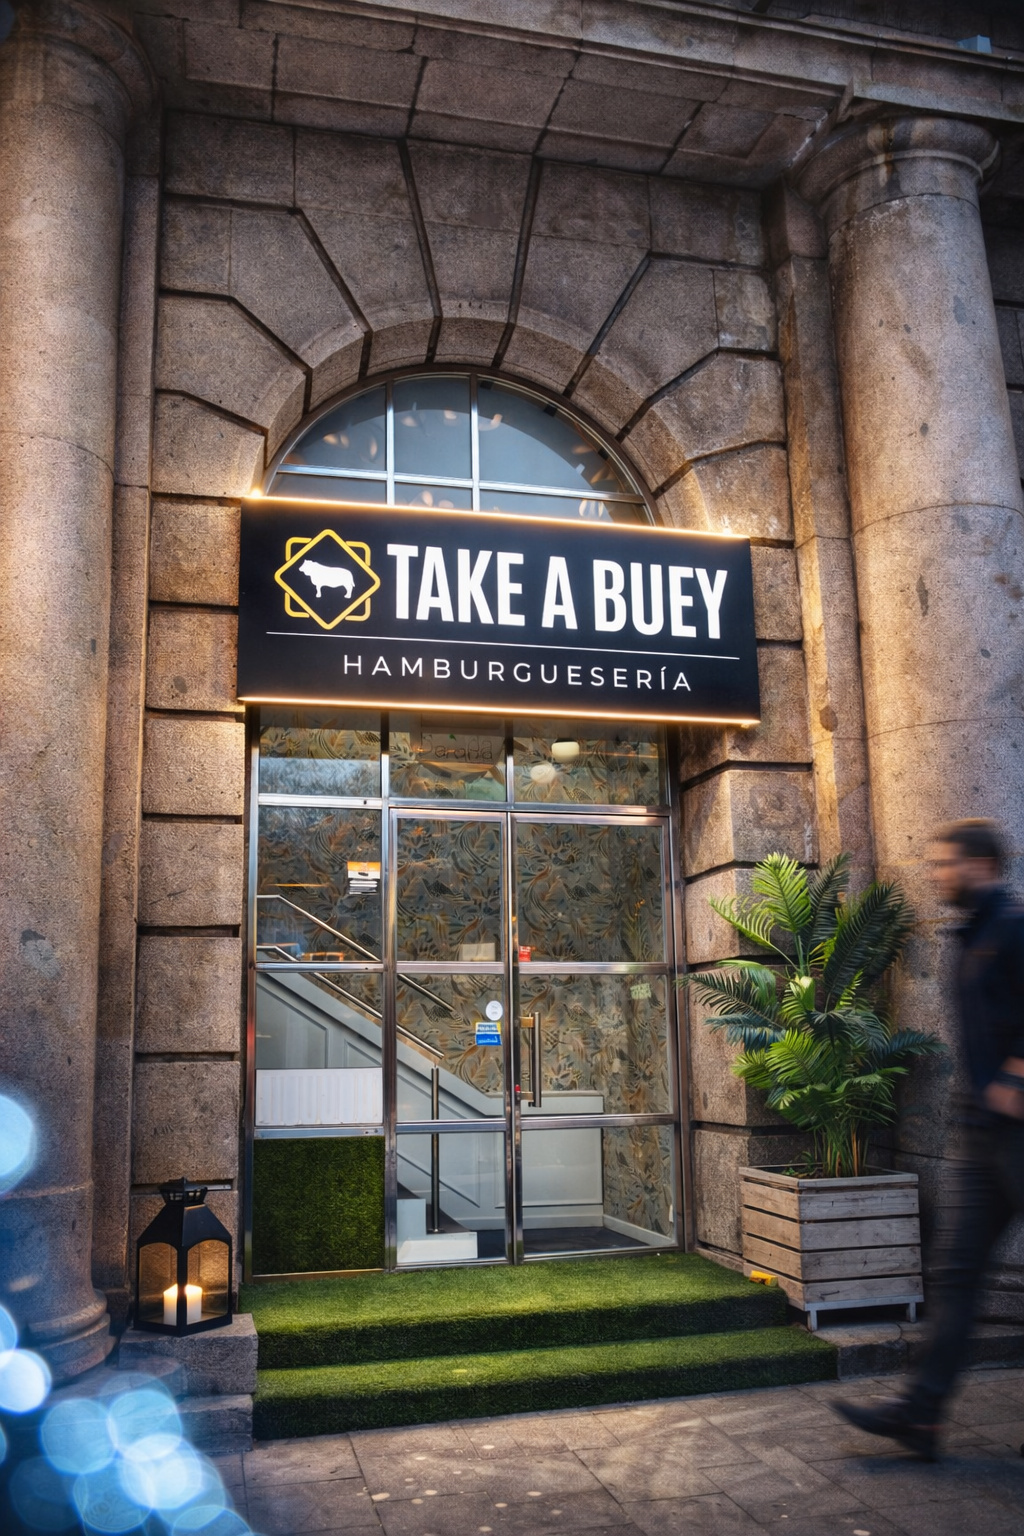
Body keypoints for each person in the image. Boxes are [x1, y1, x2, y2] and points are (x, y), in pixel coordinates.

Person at [833, 818, 1024, 1461]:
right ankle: (922, 1416)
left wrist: (1013, 1077)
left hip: (1019, 1128)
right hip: (982, 1131)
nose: (937, 875)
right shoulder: (968, 936)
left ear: (981, 865)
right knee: (957, 1272)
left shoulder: (1014, 930)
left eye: (946, 864)